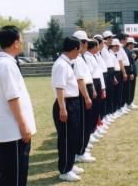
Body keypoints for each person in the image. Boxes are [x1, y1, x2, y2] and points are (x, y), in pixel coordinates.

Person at [0, 25, 36, 186]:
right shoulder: (7, 65)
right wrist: (24, 126)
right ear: (15, 43)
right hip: (13, 132)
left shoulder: (1, 62)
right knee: (15, 178)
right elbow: (13, 98)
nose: (22, 43)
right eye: (21, 40)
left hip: (7, 131)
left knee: (7, 178)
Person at [51, 36, 84, 182]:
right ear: (75, 49)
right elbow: (60, 88)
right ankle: (64, 170)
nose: (79, 53)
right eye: (78, 50)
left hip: (72, 102)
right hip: (65, 104)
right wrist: (63, 108)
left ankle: (69, 165)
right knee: (66, 139)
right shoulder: (61, 65)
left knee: (73, 137)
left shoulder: (67, 63)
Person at [72, 30, 96, 163]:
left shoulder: (81, 57)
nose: (87, 45)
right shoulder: (76, 58)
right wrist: (86, 96)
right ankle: (80, 151)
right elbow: (80, 79)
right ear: (81, 43)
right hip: (82, 91)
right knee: (83, 123)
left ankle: (82, 148)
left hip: (86, 88)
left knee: (86, 122)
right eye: (86, 42)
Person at [84, 39, 107, 142]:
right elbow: (89, 75)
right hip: (92, 82)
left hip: (97, 81)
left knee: (97, 107)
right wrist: (93, 89)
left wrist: (102, 86)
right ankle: (91, 131)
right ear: (93, 47)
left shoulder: (93, 56)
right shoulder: (88, 58)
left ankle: (95, 128)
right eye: (97, 46)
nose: (99, 48)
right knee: (93, 109)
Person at [101, 31, 117, 124]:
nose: (112, 40)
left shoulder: (106, 49)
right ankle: (106, 115)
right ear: (106, 39)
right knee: (107, 95)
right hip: (106, 73)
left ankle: (109, 113)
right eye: (111, 38)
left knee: (111, 93)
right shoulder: (103, 49)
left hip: (110, 72)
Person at [124, 37, 138, 109]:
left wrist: (135, 58)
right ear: (129, 44)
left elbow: (132, 62)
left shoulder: (128, 51)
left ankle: (130, 102)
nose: (134, 46)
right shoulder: (127, 52)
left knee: (131, 88)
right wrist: (131, 73)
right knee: (130, 88)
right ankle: (129, 102)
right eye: (133, 44)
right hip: (130, 73)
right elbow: (129, 64)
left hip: (131, 73)